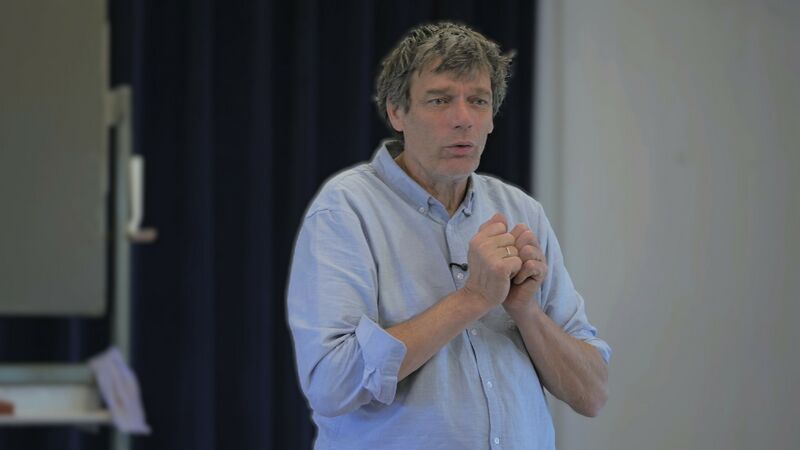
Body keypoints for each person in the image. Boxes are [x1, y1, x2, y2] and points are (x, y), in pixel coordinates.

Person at [287, 21, 610, 449]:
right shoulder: (346, 209)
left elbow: (591, 394)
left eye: (478, 101)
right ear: (396, 112)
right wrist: (473, 299)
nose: (463, 120)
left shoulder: (521, 211)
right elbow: (332, 385)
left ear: (491, 118)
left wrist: (526, 312)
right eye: (440, 100)